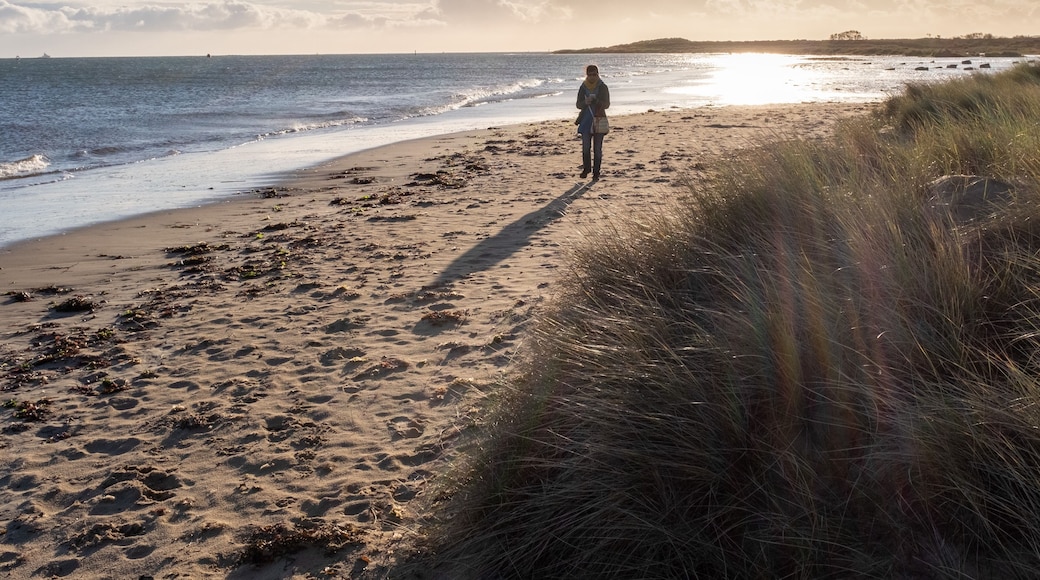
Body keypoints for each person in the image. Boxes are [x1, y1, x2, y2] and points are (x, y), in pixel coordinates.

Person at [575, 64, 610, 180]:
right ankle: (586, 169)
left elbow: (607, 104)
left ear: (598, 74)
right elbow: (578, 105)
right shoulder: (583, 87)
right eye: (590, 75)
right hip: (585, 121)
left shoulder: (602, 87)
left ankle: (596, 172)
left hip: (599, 119)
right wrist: (586, 102)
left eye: (595, 74)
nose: (592, 77)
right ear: (587, 75)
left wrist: (597, 101)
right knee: (585, 148)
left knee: (597, 149)